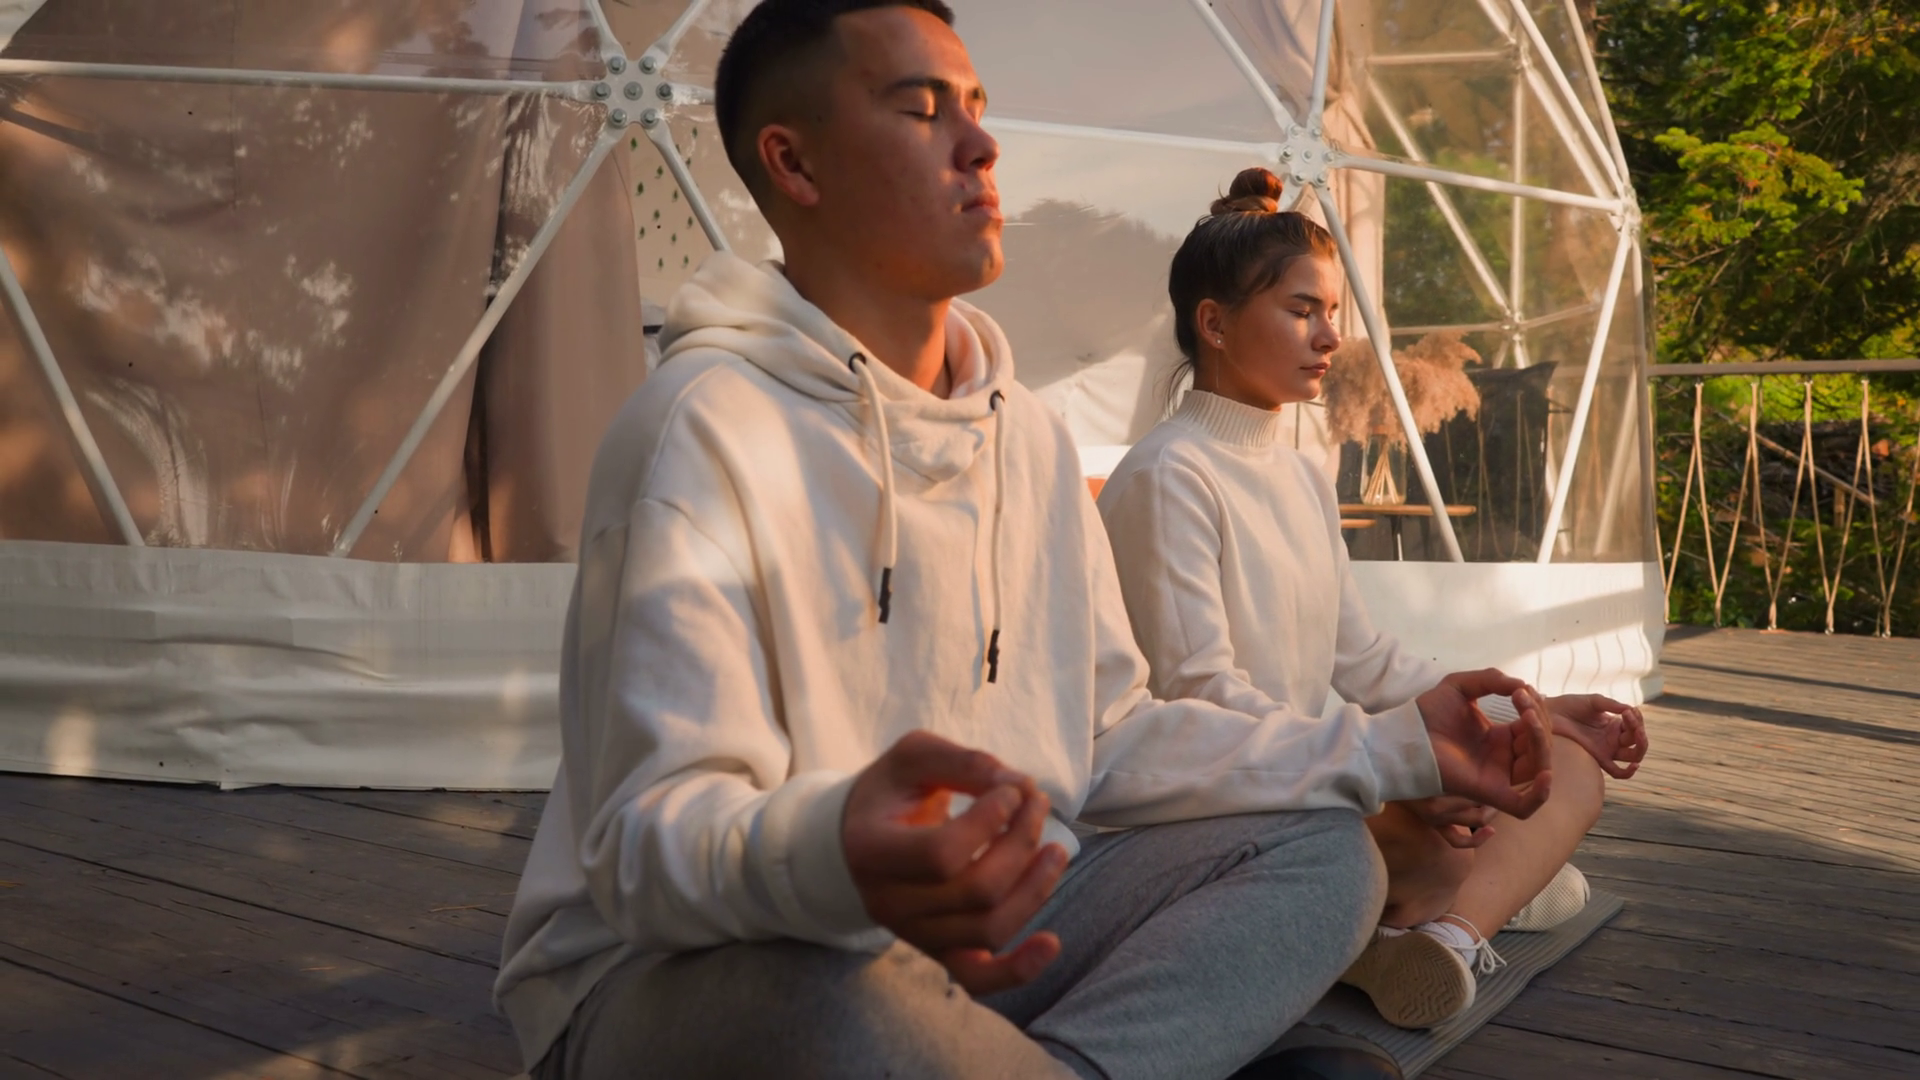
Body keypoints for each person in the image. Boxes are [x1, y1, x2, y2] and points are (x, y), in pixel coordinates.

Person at [495, 5, 1561, 1078]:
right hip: (708, 965)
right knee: (829, 995)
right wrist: (836, 850)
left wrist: (1393, 747)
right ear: (794, 162)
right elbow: (647, 843)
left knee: (1322, 858)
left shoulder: (1030, 441)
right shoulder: (702, 428)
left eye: (977, 107)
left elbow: (1113, 738)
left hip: (991, 927)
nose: (981, 144)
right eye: (922, 110)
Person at [1096, 167, 1651, 1030]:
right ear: (1214, 323)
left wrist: (1528, 709)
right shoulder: (1170, 475)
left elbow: (1363, 658)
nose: (1330, 337)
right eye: (1302, 311)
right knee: (1457, 841)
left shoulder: (1296, 473)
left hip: (1313, 769)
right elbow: (1200, 697)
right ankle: (1451, 907)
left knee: (1564, 768)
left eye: (1332, 313)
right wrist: (1398, 769)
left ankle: (1442, 937)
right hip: (1229, 798)